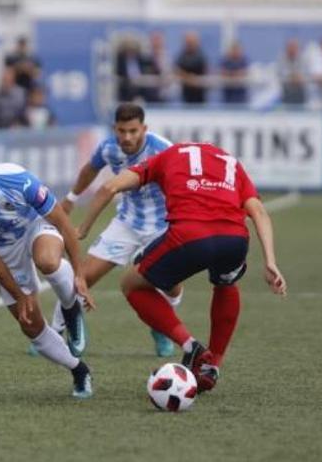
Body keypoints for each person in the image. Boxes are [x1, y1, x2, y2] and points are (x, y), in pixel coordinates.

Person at [78, 140, 287, 392]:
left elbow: (111, 187)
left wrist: (84, 227)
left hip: (190, 235)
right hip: (234, 240)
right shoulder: (231, 163)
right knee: (226, 283)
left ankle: (191, 347)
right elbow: (259, 212)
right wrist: (270, 261)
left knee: (131, 284)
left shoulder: (166, 156)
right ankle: (213, 366)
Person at [0, 148, 95, 399]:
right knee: (29, 324)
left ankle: (70, 308)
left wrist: (79, 274)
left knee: (47, 262)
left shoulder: (17, 178)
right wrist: (20, 294)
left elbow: (63, 223)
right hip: (3, 249)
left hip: (35, 225)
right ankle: (79, 370)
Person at [50, 103, 182, 358]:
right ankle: (53, 333)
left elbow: (181, 182)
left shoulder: (164, 149)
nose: (127, 137)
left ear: (144, 128)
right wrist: (71, 197)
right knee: (83, 277)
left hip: (162, 225)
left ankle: (162, 330)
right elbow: (90, 170)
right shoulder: (109, 147)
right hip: (127, 222)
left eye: (133, 131)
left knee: (171, 286)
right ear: (115, 129)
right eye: (122, 131)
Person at [174, 31, 208, 105]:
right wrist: (189, 78)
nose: (190, 44)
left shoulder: (201, 55)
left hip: (199, 93)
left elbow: (205, 71)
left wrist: (193, 79)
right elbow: (177, 70)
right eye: (188, 42)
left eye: (192, 42)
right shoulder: (182, 55)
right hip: (186, 92)